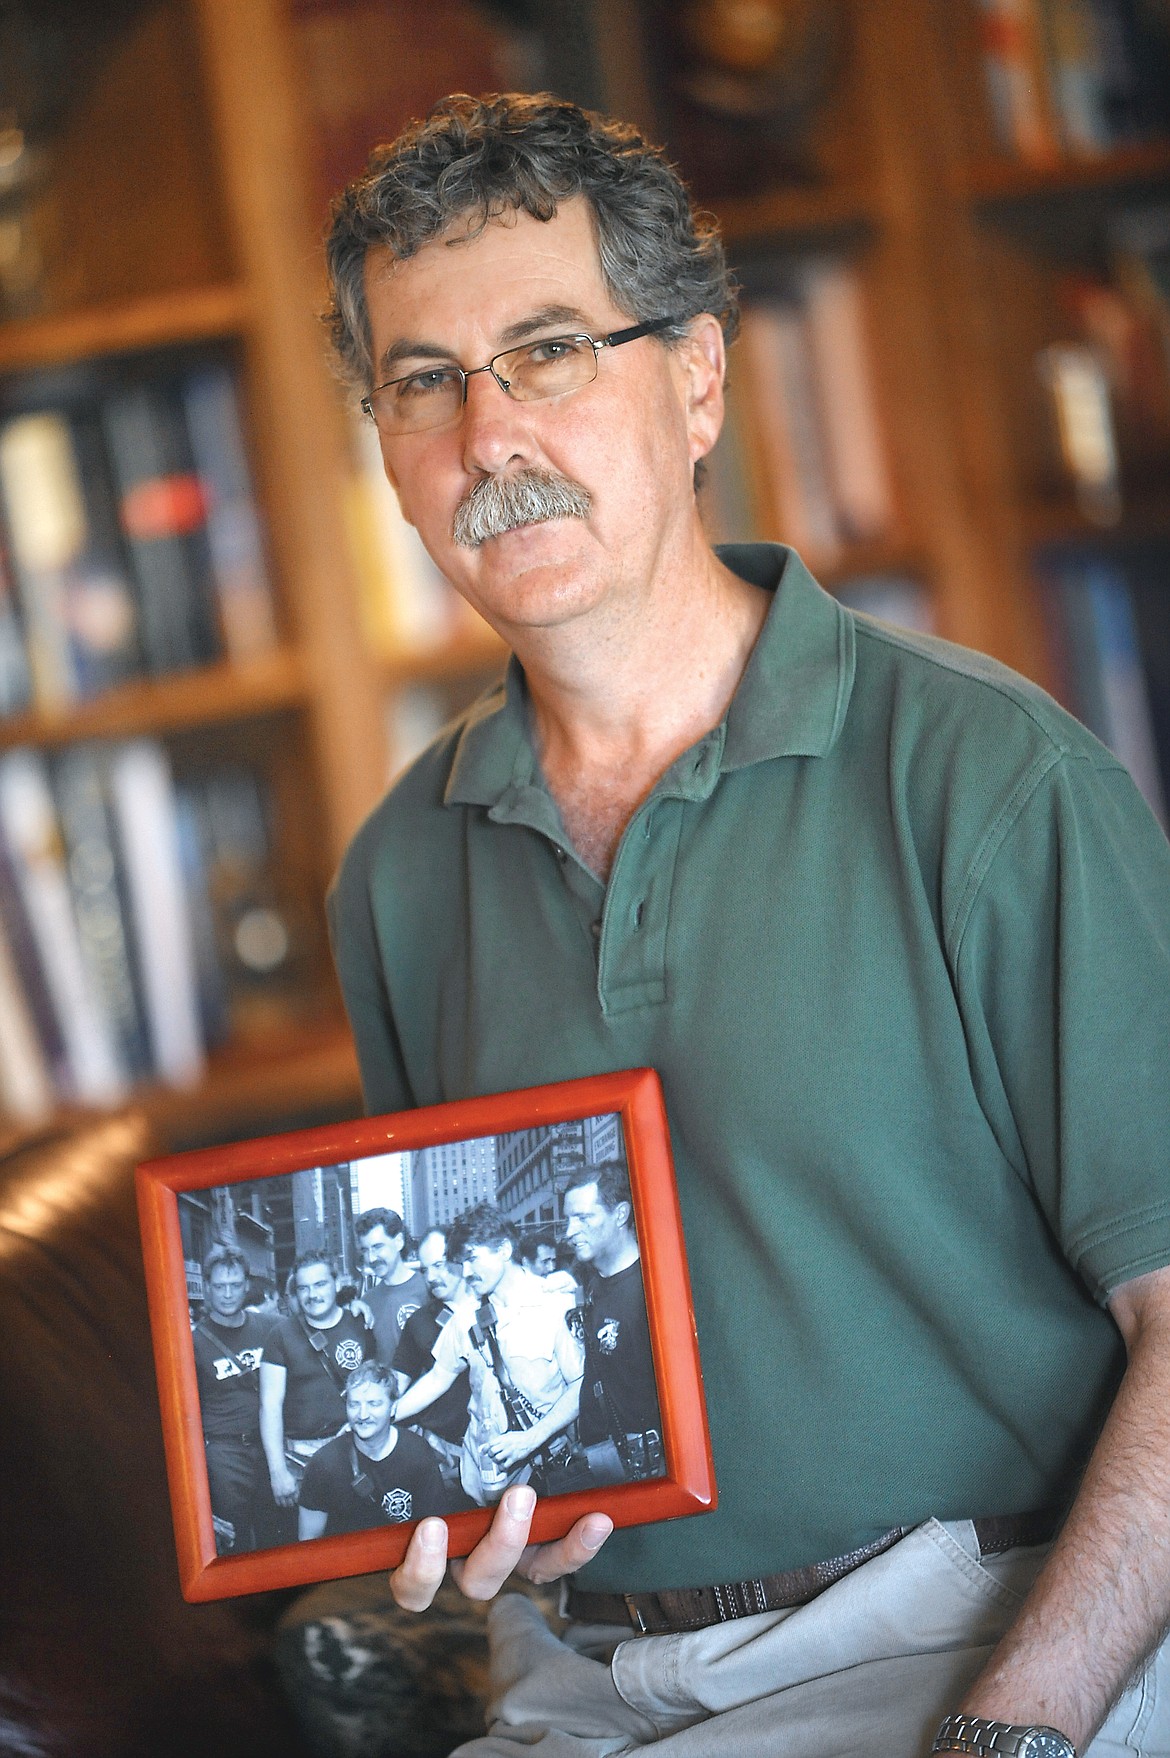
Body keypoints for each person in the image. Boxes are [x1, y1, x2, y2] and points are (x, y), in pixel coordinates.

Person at [322, 92, 1170, 1758]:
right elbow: (467, 1353)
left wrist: (1022, 1722)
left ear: (698, 379)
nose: (490, 434)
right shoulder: (395, 874)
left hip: (974, 1639)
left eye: (550, 349)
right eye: (424, 379)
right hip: (578, 1686)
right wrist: (460, 1506)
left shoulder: (991, 779)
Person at [392, 1204, 584, 1507]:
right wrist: (388, 1414)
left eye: (472, 1259)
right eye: (461, 1262)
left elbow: (580, 1386)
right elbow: (438, 1377)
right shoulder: (467, 1316)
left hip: (542, 1468)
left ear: (504, 1249)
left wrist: (530, 1439)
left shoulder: (555, 1303)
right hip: (481, 1475)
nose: (465, 1273)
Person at [259, 1253, 374, 1536]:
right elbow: (269, 1404)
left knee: (358, 1535)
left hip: (354, 1450)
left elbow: (376, 1390)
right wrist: (277, 1470)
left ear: (336, 1284)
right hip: (301, 1459)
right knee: (307, 1547)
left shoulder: (360, 1324)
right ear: (296, 1293)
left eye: (320, 1284)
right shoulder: (280, 1336)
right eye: (303, 1288)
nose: (312, 1294)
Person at [562, 1164, 661, 1482]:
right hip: (598, 1456)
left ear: (620, 1215)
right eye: (568, 1219)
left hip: (639, 1465)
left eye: (583, 1218)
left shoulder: (651, 1293)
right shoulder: (591, 1281)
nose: (569, 1232)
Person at [298, 1360, 451, 1539]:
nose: (362, 1415)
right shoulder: (324, 1464)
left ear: (393, 1407)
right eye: (354, 1404)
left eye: (373, 1404)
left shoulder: (417, 1452)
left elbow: (435, 1530)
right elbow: (308, 1542)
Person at [192, 1242, 275, 1554]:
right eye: (219, 1286)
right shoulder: (193, 1343)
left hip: (269, 1448)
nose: (227, 1293)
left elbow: (314, 1323)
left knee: (277, 1536)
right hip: (224, 1455)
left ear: (247, 1286)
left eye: (235, 1285)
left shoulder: (271, 1327)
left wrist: (357, 1311)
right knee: (234, 1544)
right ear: (208, 1288)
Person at [391, 1226, 474, 1487]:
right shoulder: (419, 1322)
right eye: (425, 1269)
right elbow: (399, 1381)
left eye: (439, 1265)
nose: (432, 1277)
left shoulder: (493, 1306)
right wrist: (380, 1412)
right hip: (446, 1450)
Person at [354, 1206, 428, 1364]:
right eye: (365, 1250)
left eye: (378, 1247)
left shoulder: (429, 1288)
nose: (371, 1258)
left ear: (399, 1241)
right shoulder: (367, 1302)